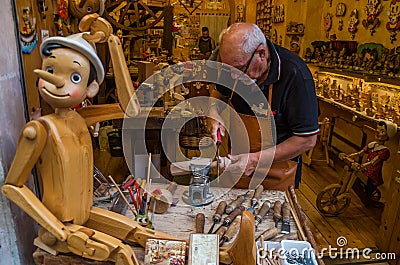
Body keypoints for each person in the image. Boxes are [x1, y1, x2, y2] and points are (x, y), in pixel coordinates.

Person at [207, 23, 319, 188]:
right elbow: (219, 93)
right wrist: (213, 111)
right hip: (238, 166)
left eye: (239, 69)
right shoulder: (233, 65)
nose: (232, 77)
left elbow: (307, 139)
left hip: (278, 174)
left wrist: (255, 160)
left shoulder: (295, 75)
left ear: (261, 53)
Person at [340, 120, 397, 198]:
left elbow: (373, 162)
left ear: (387, 136)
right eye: (377, 129)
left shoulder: (384, 151)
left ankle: (367, 197)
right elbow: (360, 153)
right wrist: (350, 156)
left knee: (368, 187)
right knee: (356, 180)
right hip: (365, 170)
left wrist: (362, 166)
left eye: (382, 131)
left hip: (373, 174)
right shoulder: (372, 145)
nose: (377, 132)